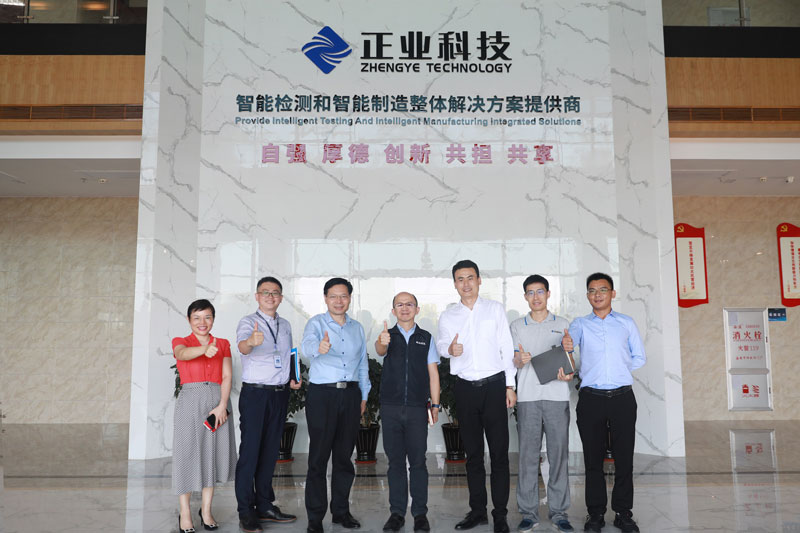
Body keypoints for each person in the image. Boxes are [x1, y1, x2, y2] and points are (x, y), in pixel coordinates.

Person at [436, 260, 516, 533]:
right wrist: (450, 350)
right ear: (454, 283)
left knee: (499, 455)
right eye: (460, 279)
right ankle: (478, 511)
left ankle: (500, 514)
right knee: (473, 455)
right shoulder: (448, 316)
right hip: (465, 389)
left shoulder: (495, 309)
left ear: (479, 280)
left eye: (470, 277)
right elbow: (441, 344)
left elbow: (506, 346)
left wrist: (510, 385)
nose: (466, 283)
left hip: (494, 387)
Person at [569, 273, 646, 533]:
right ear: (587, 296)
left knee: (624, 459)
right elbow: (567, 350)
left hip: (622, 398)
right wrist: (567, 346)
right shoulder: (580, 324)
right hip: (591, 399)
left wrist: (618, 370)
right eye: (592, 290)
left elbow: (639, 356)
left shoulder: (626, 323)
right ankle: (595, 514)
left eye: (603, 289)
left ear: (612, 293)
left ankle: (623, 513)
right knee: (593, 460)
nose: (597, 294)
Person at [301, 277, 370, 533]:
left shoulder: (357, 328)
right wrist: (319, 347)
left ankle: (341, 512)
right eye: (333, 296)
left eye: (343, 296)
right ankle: (315, 517)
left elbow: (362, 364)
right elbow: (306, 347)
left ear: (350, 298)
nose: (339, 301)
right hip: (323, 395)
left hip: (350, 395)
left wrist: (363, 396)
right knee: (318, 459)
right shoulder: (316, 323)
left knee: (344, 458)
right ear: (325, 298)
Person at [234, 276, 301, 533]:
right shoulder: (248, 322)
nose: (270, 296)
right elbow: (243, 347)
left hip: (280, 394)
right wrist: (251, 342)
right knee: (250, 452)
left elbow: (288, 354)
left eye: (275, 293)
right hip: (256, 395)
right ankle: (245, 511)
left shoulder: (285, 325)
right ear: (257, 296)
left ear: (281, 298)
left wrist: (293, 377)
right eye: (265, 292)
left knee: (270, 452)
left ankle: (264, 505)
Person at [510, 275, 575, 533]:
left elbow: (572, 362)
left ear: (548, 294)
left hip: (557, 397)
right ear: (525, 297)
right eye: (530, 292)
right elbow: (512, 361)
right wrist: (519, 360)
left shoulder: (562, 324)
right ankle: (528, 513)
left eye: (540, 291)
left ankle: (559, 512)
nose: (535, 297)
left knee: (559, 455)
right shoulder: (517, 325)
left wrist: (569, 371)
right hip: (528, 398)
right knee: (528, 457)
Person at [375, 292, 441, 533]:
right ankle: (397, 513)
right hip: (390, 407)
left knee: (418, 462)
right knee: (395, 463)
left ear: (417, 309)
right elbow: (380, 350)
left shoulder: (425, 338)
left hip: (416, 408)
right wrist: (383, 341)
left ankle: (420, 514)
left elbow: (433, 373)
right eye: (399, 305)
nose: (404, 308)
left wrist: (435, 405)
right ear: (393, 311)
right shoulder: (387, 335)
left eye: (409, 304)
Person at [171, 299, 237, 533]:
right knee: (186, 454)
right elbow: (182, 354)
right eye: (197, 317)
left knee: (212, 454)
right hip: (190, 401)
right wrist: (204, 349)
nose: (202, 322)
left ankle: (206, 510)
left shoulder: (223, 343)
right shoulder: (181, 341)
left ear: (213, 319)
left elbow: (227, 376)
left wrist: (222, 405)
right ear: (189, 320)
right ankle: (185, 512)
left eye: (207, 317)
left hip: (217, 402)